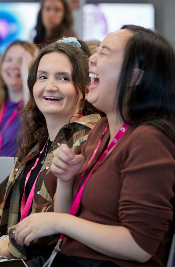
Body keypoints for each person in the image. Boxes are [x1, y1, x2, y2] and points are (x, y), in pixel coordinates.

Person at [15, 26, 175, 267]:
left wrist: (58, 222)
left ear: (135, 77)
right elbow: (71, 214)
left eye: (105, 52)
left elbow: (140, 246)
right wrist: (66, 181)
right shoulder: (102, 130)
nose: (92, 58)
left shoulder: (149, 140)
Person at [0, 37, 101, 265]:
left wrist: (1, 246)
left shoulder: (88, 140)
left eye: (63, 78)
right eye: (42, 77)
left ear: (83, 89)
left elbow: (54, 228)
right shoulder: (39, 141)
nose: (50, 86)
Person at [0, 40, 39, 160]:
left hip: (12, 177)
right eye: (8, 60)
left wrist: (30, 78)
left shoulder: (36, 109)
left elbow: (33, 124)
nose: (13, 66)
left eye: (21, 62)